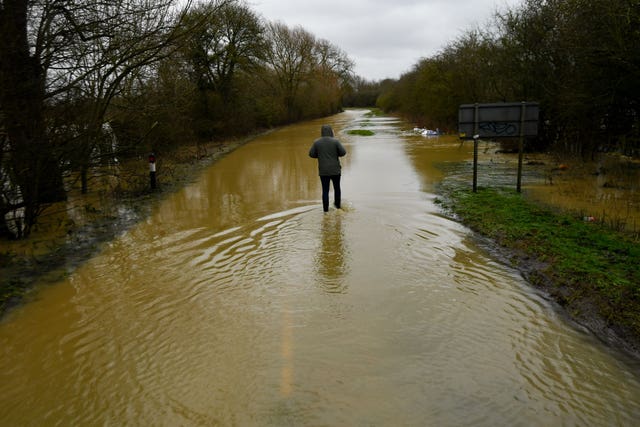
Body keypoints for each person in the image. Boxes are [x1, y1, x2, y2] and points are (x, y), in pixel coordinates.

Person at [309, 124, 347, 212]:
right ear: (331, 131)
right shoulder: (336, 141)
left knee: (325, 190)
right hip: (335, 170)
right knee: (337, 188)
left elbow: (311, 154)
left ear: (322, 132)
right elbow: (343, 153)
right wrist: (335, 153)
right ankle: (338, 207)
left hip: (323, 171)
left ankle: (325, 211)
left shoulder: (317, 142)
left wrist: (320, 155)